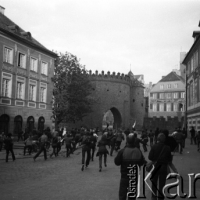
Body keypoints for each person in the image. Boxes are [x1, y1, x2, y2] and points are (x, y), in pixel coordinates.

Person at [114, 133, 146, 200]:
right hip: (134, 176)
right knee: (132, 195)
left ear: (127, 141)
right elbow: (142, 162)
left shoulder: (123, 151)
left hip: (124, 176)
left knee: (122, 195)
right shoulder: (138, 151)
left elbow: (117, 162)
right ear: (134, 141)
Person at [148, 133, 172, 200]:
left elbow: (150, 157)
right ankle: (161, 197)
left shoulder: (154, 146)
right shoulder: (167, 147)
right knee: (162, 183)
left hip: (155, 166)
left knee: (154, 182)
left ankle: (153, 196)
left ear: (158, 139)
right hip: (163, 167)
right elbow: (169, 159)